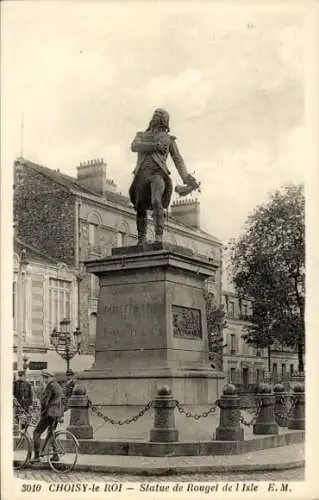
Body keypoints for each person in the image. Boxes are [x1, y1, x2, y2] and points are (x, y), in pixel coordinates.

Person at [129, 108, 198, 245]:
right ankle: (141, 239)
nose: (158, 119)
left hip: (158, 174)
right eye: (156, 116)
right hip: (142, 174)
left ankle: (158, 237)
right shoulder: (141, 135)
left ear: (165, 122)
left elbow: (178, 159)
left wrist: (186, 179)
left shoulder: (169, 140)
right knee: (140, 206)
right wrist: (154, 146)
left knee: (156, 201)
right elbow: (134, 146)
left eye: (161, 117)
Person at [33, 370, 63, 462]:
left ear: (47, 377)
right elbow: (62, 401)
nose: (44, 379)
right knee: (51, 434)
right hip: (56, 415)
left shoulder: (50, 386)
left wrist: (41, 414)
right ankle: (55, 455)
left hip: (49, 414)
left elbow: (45, 401)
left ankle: (37, 456)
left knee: (36, 432)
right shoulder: (58, 386)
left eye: (44, 377)